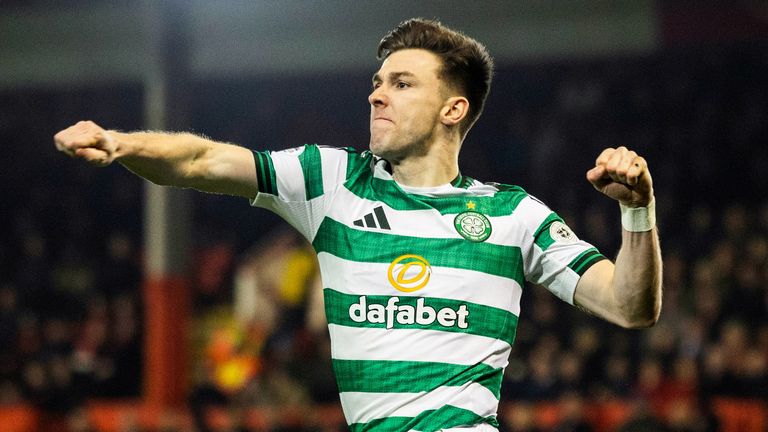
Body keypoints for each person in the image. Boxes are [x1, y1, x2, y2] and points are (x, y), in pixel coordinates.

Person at [54, 18, 662, 432]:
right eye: (376, 83)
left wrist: (637, 213)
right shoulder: (331, 182)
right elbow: (203, 159)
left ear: (454, 109)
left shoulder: (511, 215)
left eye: (401, 84)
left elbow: (629, 306)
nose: (377, 95)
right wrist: (121, 142)